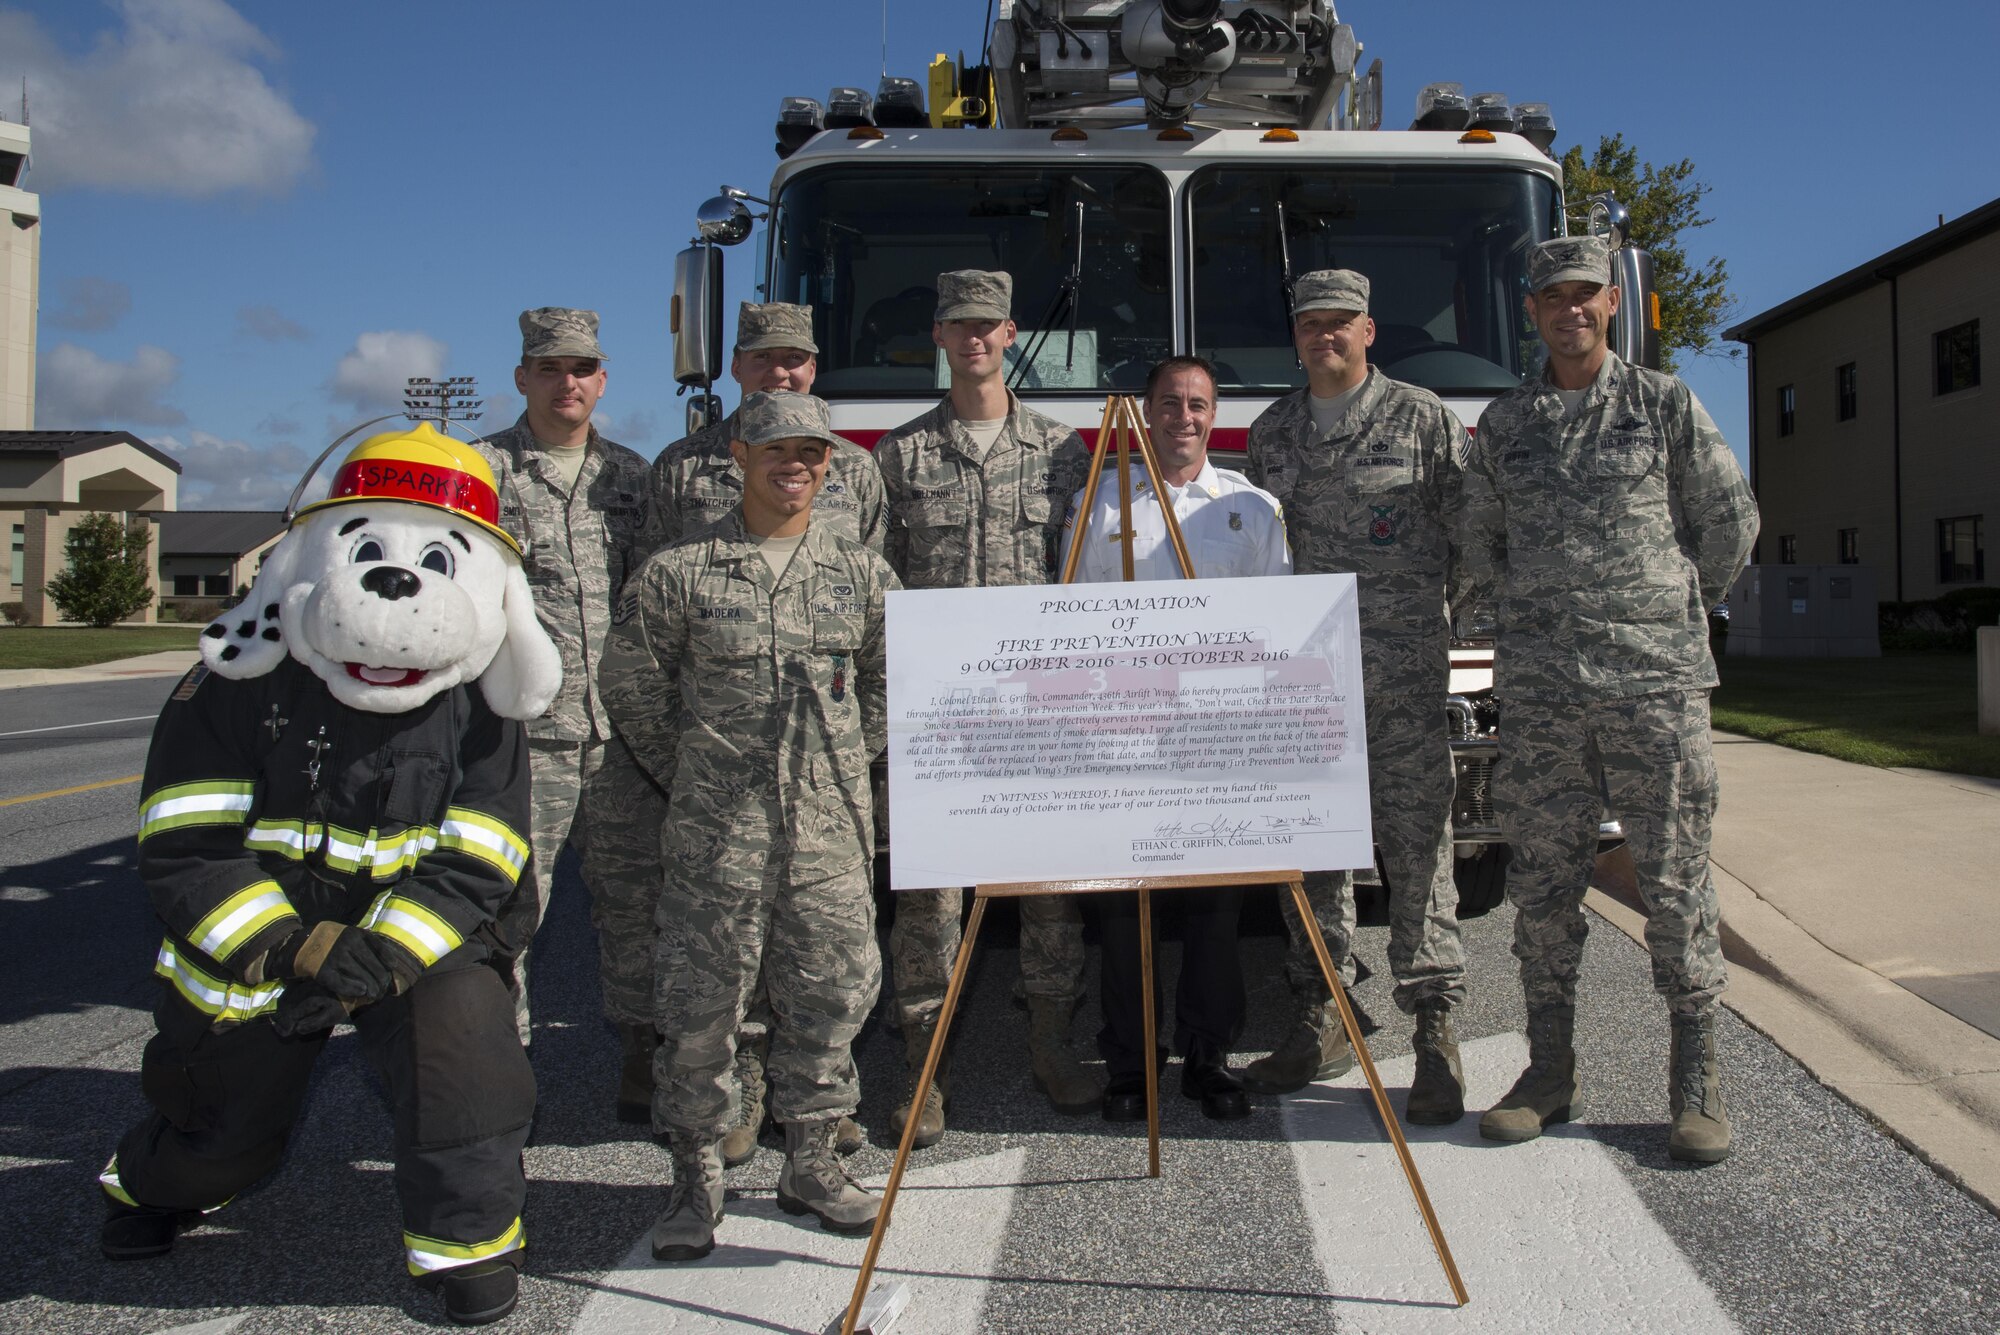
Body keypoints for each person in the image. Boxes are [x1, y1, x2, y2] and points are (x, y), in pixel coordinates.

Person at [98, 424, 562, 1327]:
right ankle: (149, 1185)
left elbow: (486, 850)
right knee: (223, 1138)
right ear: (309, 558)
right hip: (261, 948)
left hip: (413, 946)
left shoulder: (478, 700)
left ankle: (464, 1248)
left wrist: (381, 954)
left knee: (466, 1058)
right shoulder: (237, 681)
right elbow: (184, 841)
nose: (399, 589)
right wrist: (290, 947)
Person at [1460, 236, 1758, 1162]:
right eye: (1553, 296)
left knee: (1675, 881)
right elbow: (1478, 547)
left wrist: (1665, 616)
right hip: (1545, 695)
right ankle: (1550, 1071)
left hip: (1653, 689)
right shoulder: (1506, 427)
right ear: (1533, 310)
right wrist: (1525, 626)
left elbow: (1729, 520)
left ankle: (1696, 1080)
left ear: (1612, 302)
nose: (1570, 309)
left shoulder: (1664, 405)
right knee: (1543, 888)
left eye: (1585, 293)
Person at [600, 390, 898, 1260]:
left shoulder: (862, 575)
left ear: (828, 463)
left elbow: (888, 684)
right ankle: (696, 1179)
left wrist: (834, 764)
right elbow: (633, 689)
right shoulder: (678, 573)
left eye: (810, 451)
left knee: (832, 1000)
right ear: (739, 456)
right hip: (713, 841)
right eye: (775, 450)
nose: (794, 465)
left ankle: (811, 1160)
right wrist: (700, 768)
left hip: (828, 839)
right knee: (699, 1012)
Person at [637, 301, 885, 1160]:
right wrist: (703, 757)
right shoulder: (681, 503)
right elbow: (645, 671)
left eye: (799, 360)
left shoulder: (860, 496)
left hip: (824, 807)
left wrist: (846, 754)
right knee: (710, 979)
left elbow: (884, 667)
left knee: (829, 969)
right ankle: (723, 1119)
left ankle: (815, 1131)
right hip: (723, 805)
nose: (783, 373)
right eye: (766, 358)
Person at [1243, 269, 1475, 1125]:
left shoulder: (1423, 420)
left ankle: (1436, 1032)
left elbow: (1475, 533)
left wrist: (1447, 626)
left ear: (1369, 330)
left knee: (1419, 856)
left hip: (1403, 685)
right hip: (1305, 690)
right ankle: (1322, 1015)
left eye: (1340, 323)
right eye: (1310, 324)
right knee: (1311, 860)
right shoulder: (1272, 435)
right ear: (1295, 335)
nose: (1324, 336)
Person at [873, 269, 1096, 1144]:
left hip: (1037, 715)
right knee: (928, 899)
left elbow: (1083, 574)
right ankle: (924, 1067)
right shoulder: (898, 458)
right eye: (956, 325)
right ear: (939, 336)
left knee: (1047, 888)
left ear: (1010, 333)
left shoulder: (1062, 451)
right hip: (939, 718)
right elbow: (876, 585)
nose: (973, 340)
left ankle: (1052, 1043)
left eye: (987, 326)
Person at [1063, 356, 1290, 1121]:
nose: (1182, 417)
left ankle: (1209, 1055)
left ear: (1214, 413)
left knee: (1214, 910)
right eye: (1168, 403)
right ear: (1146, 413)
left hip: (1218, 738)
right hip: (1125, 731)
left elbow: (1276, 627)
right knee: (1126, 908)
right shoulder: (1098, 505)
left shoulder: (1254, 508)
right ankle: (1131, 1064)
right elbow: (1072, 619)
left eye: (1196, 404)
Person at [475, 308, 660, 1120]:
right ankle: (495, 1076)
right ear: (522, 377)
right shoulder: (484, 471)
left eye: (582, 367)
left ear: (603, 379)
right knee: (507, 911)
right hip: (523, 739)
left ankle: (644, 1059)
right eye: (550, 368)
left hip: (621, 738)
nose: (568, 382)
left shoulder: (632, 475)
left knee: (640, 908)